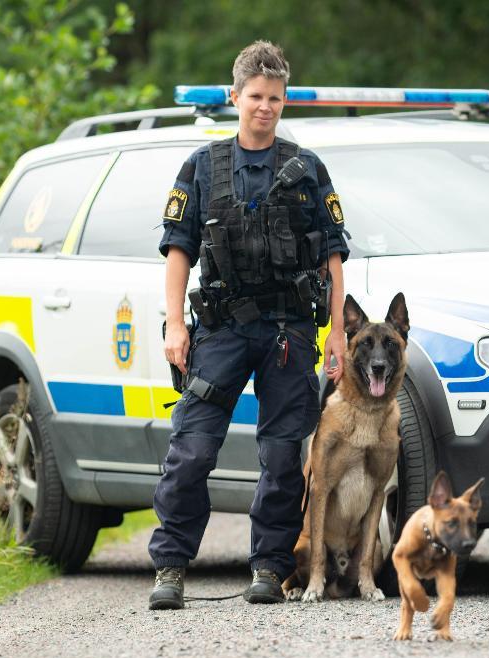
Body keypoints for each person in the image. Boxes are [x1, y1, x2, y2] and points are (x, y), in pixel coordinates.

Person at [148, 40, 349, 609]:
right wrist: (173, 326)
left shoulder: (307, 167)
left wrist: (336, 333)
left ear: (286, 101)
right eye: (255, 96)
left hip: (288, 331)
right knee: (191, 450)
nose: (265, 107)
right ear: (235, 96)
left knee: (283, 455)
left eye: (275, 98)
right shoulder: (202, 166)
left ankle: (269, 567)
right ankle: (170, 568)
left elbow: (333, 256)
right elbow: (178, 251)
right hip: (221, 330)